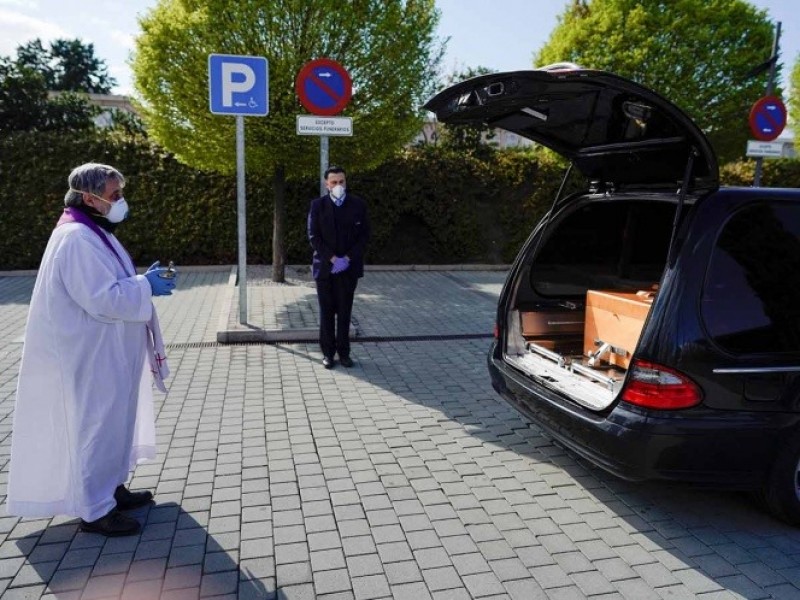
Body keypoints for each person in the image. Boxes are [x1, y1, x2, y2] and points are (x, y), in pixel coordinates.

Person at [7, 163, 177, 537]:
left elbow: (111, 283)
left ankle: (111, 489)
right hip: (92, 353)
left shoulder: (93, 231)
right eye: (115, 195)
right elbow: (101, 298)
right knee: (97, 426)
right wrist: (144, 286)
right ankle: (96, 509)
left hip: (108, 350)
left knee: (115, 422)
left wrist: (140, 281)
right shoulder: (76, 239)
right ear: (90, 198)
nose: (121, 201)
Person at [307, 166, 370, 369]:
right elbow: (313, 237)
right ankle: (328, 354)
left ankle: (344, 354)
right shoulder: (318, 205)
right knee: (326, 313)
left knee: (344, 312)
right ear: (327, 184)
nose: (338, 185)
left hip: (348, 269)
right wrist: (333, 259)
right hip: (325, 269)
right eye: (334, 182)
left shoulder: (358, 205)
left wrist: (347, 258)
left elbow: (364, 236)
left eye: (341, 181)